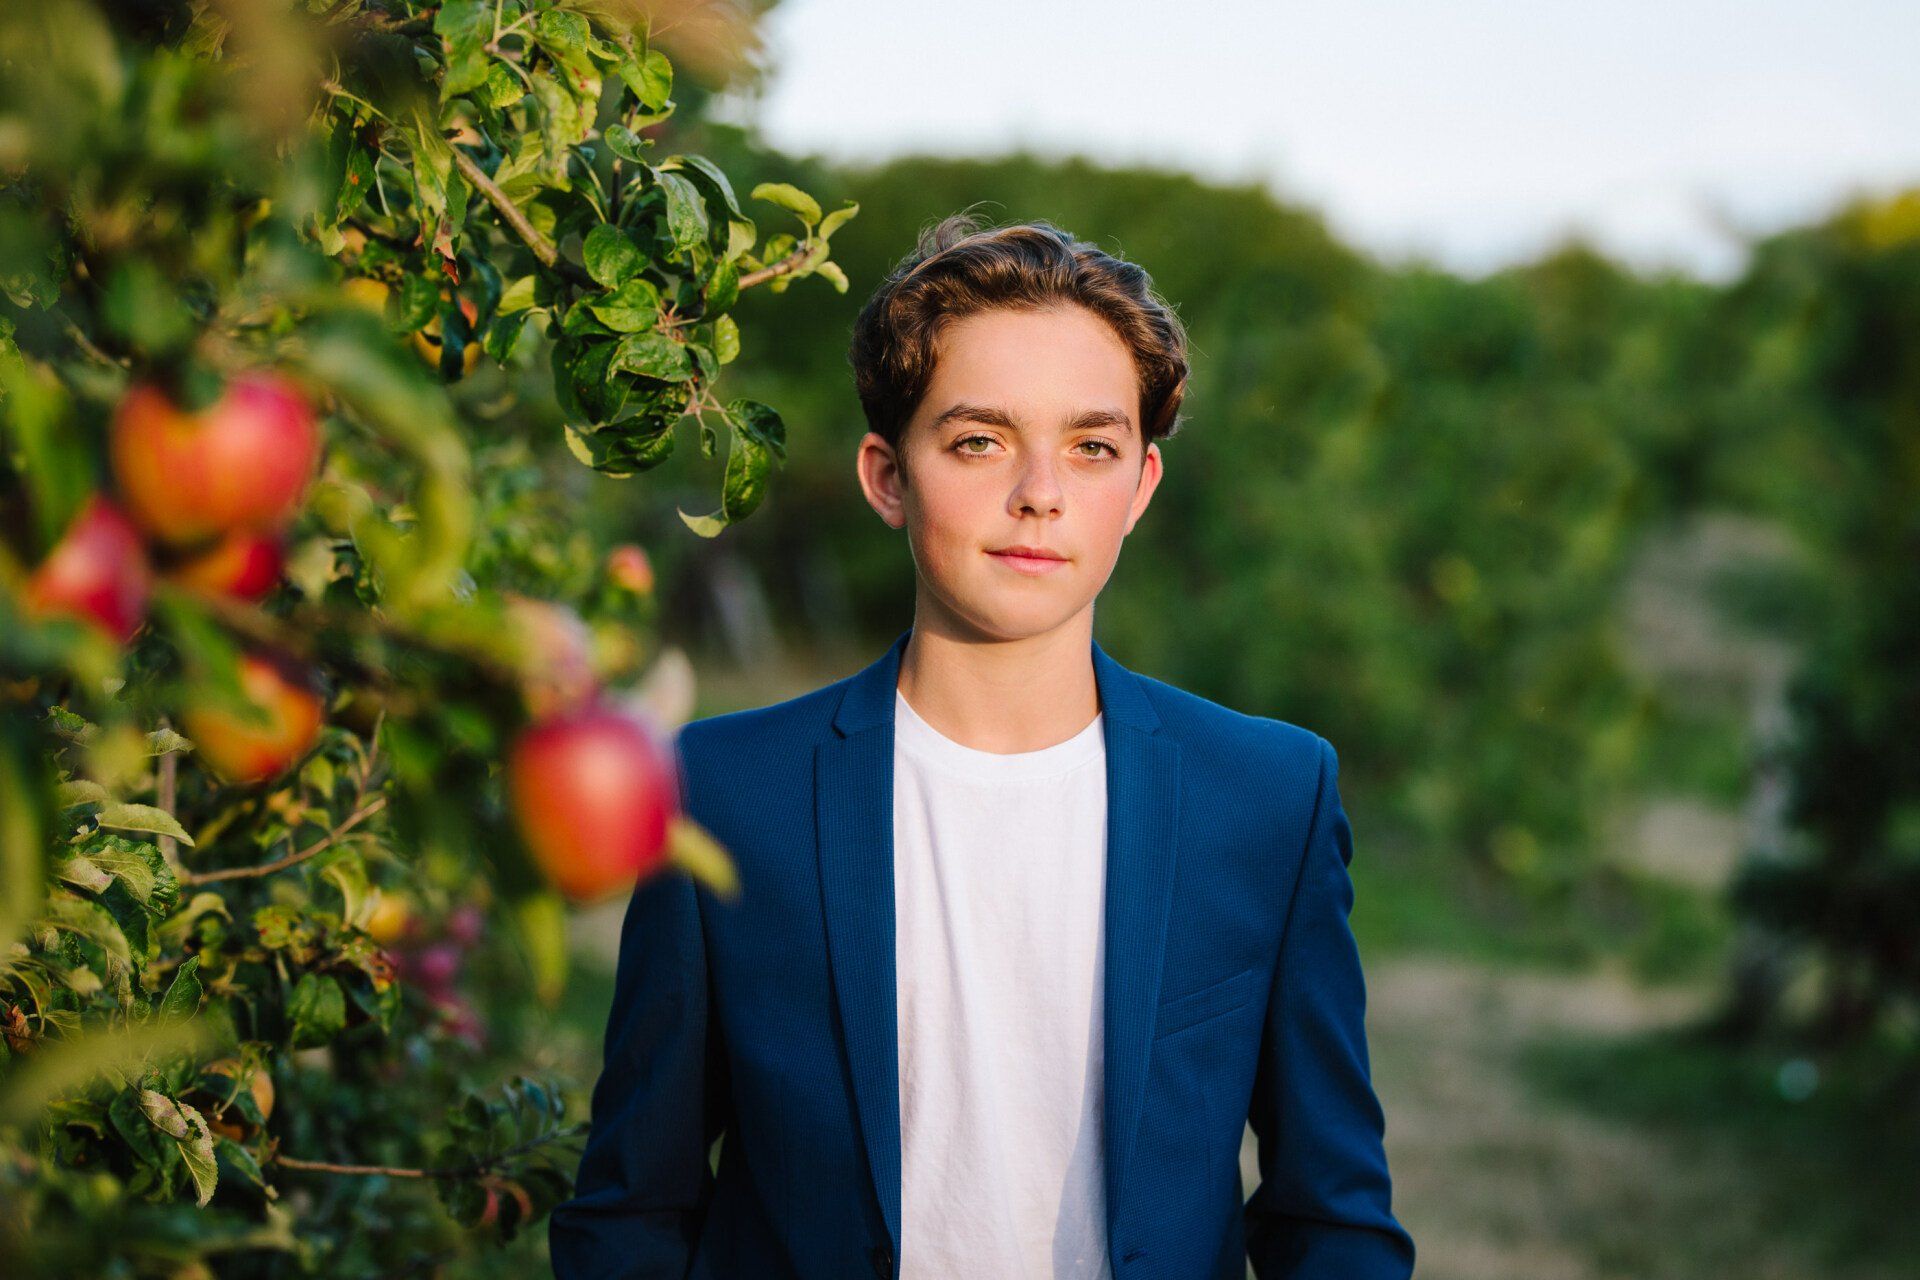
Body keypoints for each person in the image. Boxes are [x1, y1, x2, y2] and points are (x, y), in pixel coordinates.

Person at [548, 211, 1415, 1280]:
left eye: (1091, 446)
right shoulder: (725, 791)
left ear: (1139, 485)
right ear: (888, 476)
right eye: (979, 439)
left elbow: (1331, 1216)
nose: (1039, 492)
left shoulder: (1268, 793)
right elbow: (635, 1204)